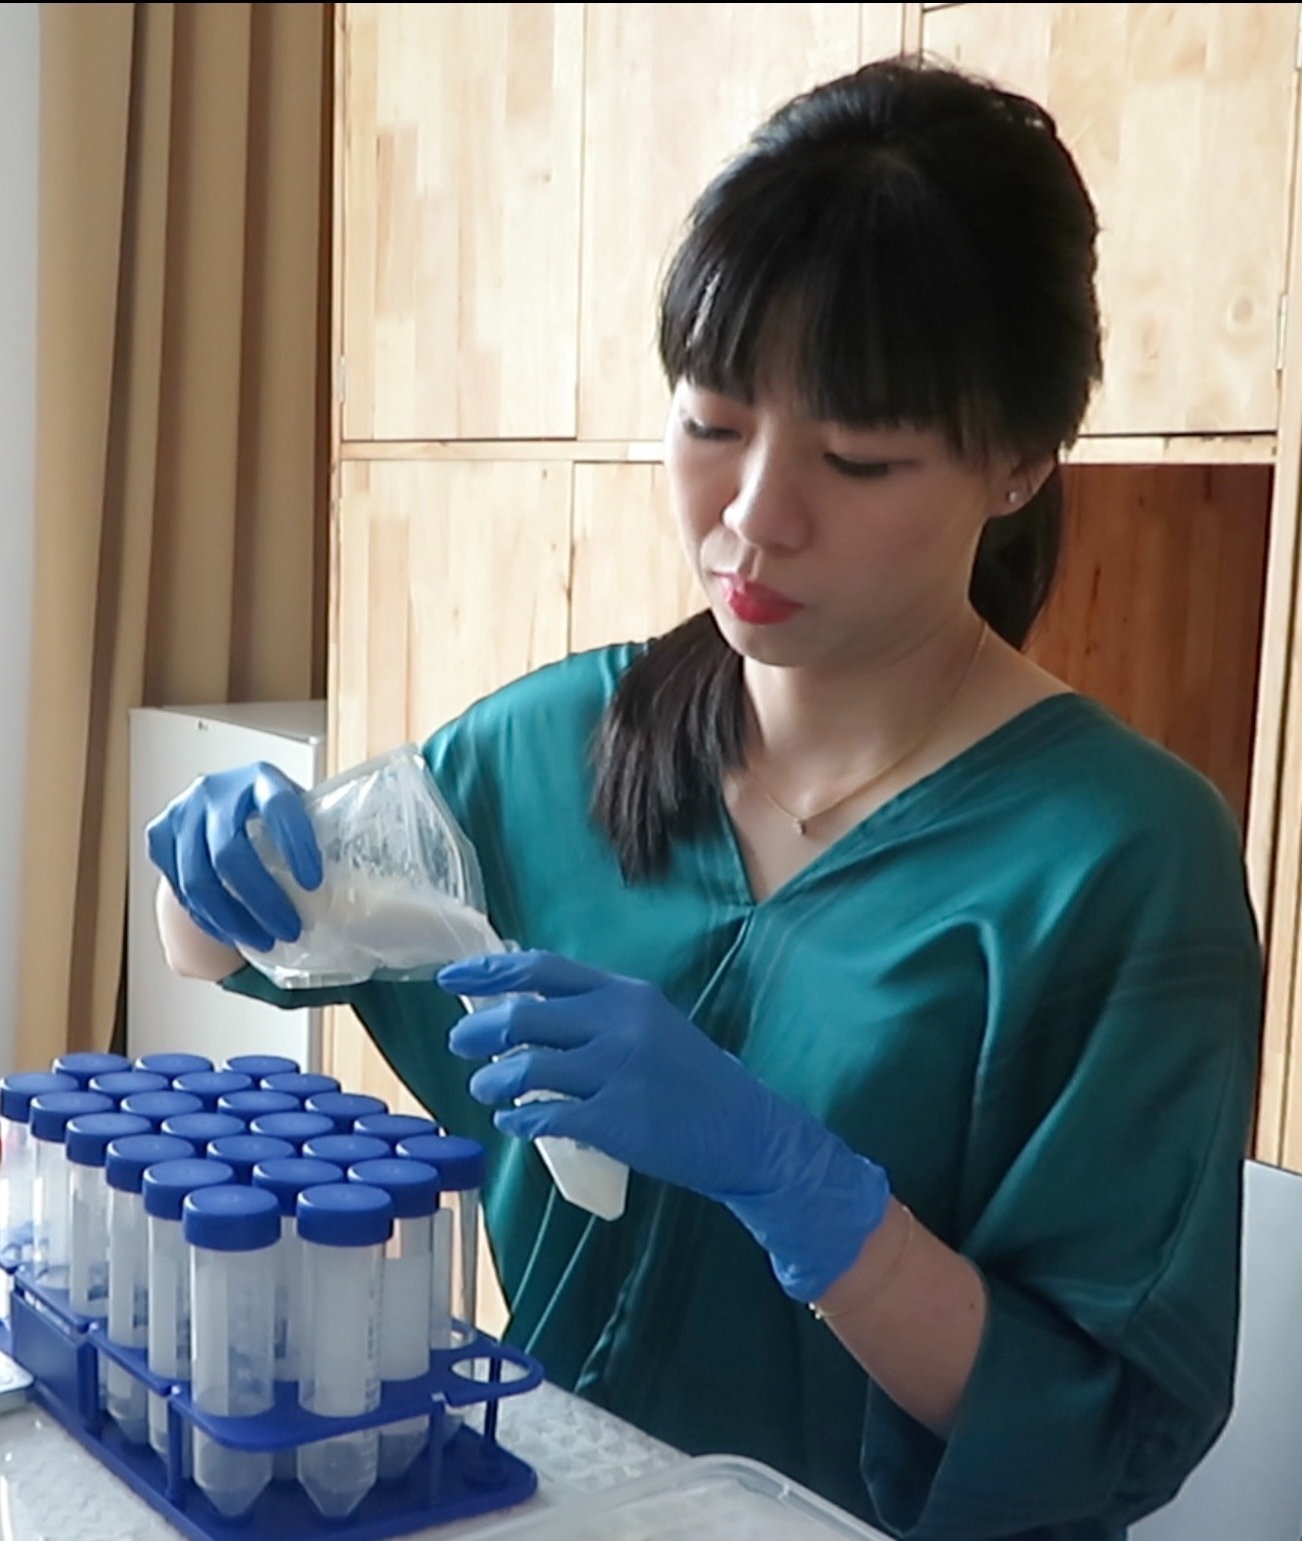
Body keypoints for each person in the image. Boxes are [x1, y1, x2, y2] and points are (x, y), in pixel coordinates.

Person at [147, 57, 1261, 1540]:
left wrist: (800, 1185)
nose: (753, 515)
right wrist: (211, 859)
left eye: (857, 457)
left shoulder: (1120, 863)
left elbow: (1105, 1427)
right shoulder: (574, 737)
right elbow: (226, 947)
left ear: (1017, 464)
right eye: (714, 420)